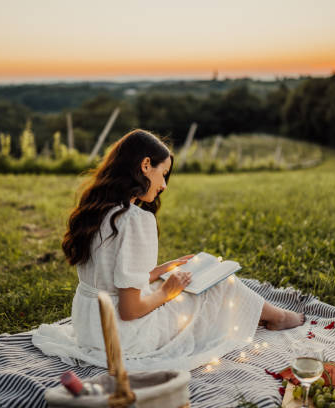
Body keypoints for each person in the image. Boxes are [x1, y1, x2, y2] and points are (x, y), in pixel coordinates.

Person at [32, 129, 304, 371]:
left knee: (184, 278)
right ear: (145, 165)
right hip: (125, 337)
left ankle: (273, 315)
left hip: (89, 328)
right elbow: (130, 310)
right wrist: (166, 292)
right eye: (163, 174)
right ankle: (279, 317)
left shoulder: (94, 211)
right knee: (219, 285)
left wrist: (161, 271)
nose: (164, 185)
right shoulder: (135, 220)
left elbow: (112, 278)